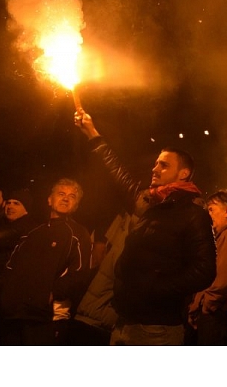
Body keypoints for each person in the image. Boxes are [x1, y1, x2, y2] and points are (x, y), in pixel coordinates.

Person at [74, 110, 216, 346]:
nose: (154, 169)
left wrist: (155, 288)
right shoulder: (148, 205)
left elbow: (205, 271)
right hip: (123, 321)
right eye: (155, 164)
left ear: (184, 173)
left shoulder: (193, 215)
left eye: (163, 165)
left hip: (157, 329)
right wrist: (92, 133)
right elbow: (117, 175)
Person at [0, 179, 92, 345]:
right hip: (15, 314)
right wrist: (7, 298)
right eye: (61, 194)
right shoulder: (33, 232)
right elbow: (10, 266)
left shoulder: (79, 234)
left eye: (72, 196)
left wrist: (51, 295)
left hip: (48, 318)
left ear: (76, 204)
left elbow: (79, 273)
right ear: (49, 199)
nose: (65, 198)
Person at [68, 190, 152, 345]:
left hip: (94, 317)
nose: (142, 200)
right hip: (95, 319)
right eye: (143, 197)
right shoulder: (128, 229)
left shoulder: (129, 227)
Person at [187, 191, 227, 345]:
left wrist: (204, 304)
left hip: (216, 315)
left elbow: (224, 279)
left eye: (211, 209)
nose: (208, 215)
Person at [0, 189, 37, 344]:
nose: (10, 206)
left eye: (16, 203)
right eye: (9, 202)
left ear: (26, 210)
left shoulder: (25, 228)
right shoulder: (1, 224)